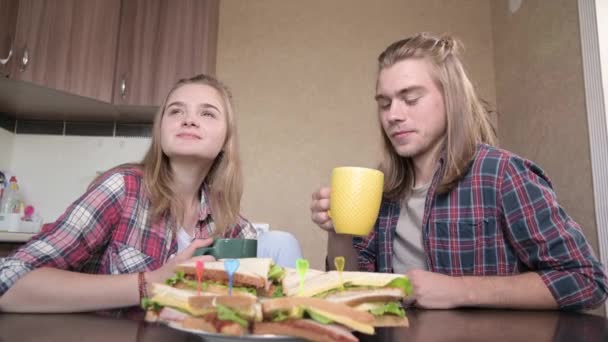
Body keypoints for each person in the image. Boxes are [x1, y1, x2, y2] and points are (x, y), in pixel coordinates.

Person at [310, 33, 608, 310]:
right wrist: (339, 232)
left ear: (451, 98)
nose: (394, 116)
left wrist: (459, 290)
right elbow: (350, 288)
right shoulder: (382, 188)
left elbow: (586, 279)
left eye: (411, 99)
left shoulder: (502, 174)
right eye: (384, 104)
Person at [0, 74, 301, 313]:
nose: (189, 119)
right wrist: (152, 283)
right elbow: (9, 282)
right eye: (176, 111)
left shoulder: (231, 225)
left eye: (208, 113)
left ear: (226, 140)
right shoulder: (122, 188)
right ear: (160, 131)